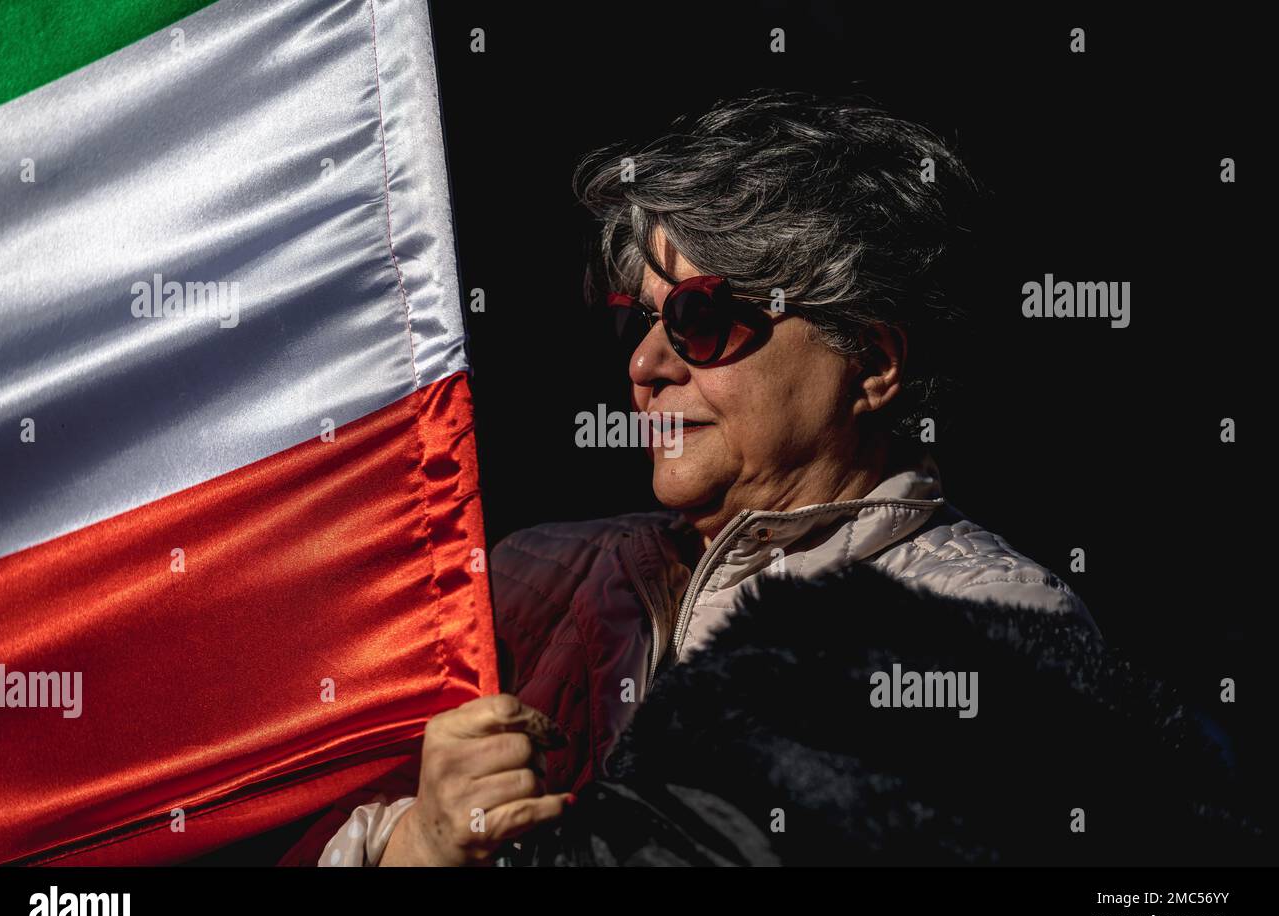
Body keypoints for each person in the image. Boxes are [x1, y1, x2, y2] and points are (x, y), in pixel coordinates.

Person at [286, 89, 1107, 867]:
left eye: (700, 318)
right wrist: (419, 844)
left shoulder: (993, 622)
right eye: (639, 319)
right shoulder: (518, 578)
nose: (645, 364)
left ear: (872, 360)